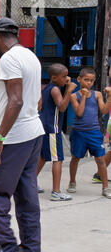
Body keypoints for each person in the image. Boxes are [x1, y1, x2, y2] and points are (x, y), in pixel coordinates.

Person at [0, 18, 45, 252]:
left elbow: (14, 101)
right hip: (33, 132)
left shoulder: (8, 59)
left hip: (14, 137)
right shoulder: (30, 57)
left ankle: (7, 250)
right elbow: (32, 100)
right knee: (26, 194)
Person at [67, 67, 111, 199]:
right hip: (79, 132)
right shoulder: (74, 96)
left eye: (91, 81)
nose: (89, 83)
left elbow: (103, 111)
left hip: (94, 132)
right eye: (86, 80)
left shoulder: (97, 94)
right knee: (75, 158)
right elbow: (79, 113)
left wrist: (109, 97)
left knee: (100, 159)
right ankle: (72, 182)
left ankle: (105, 187)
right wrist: (84, 97)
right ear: (79, 79)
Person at [36, 63, 77, 201]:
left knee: (42, 157)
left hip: (45, 126)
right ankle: (56, 191)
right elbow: (62, 107)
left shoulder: (49, 87)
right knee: (57, 159)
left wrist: (66, 87)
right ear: (54, 77)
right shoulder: (55, 90)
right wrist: (69, 90)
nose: (67, 79)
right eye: (64, 76)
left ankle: (29, 184)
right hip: (52, 128)